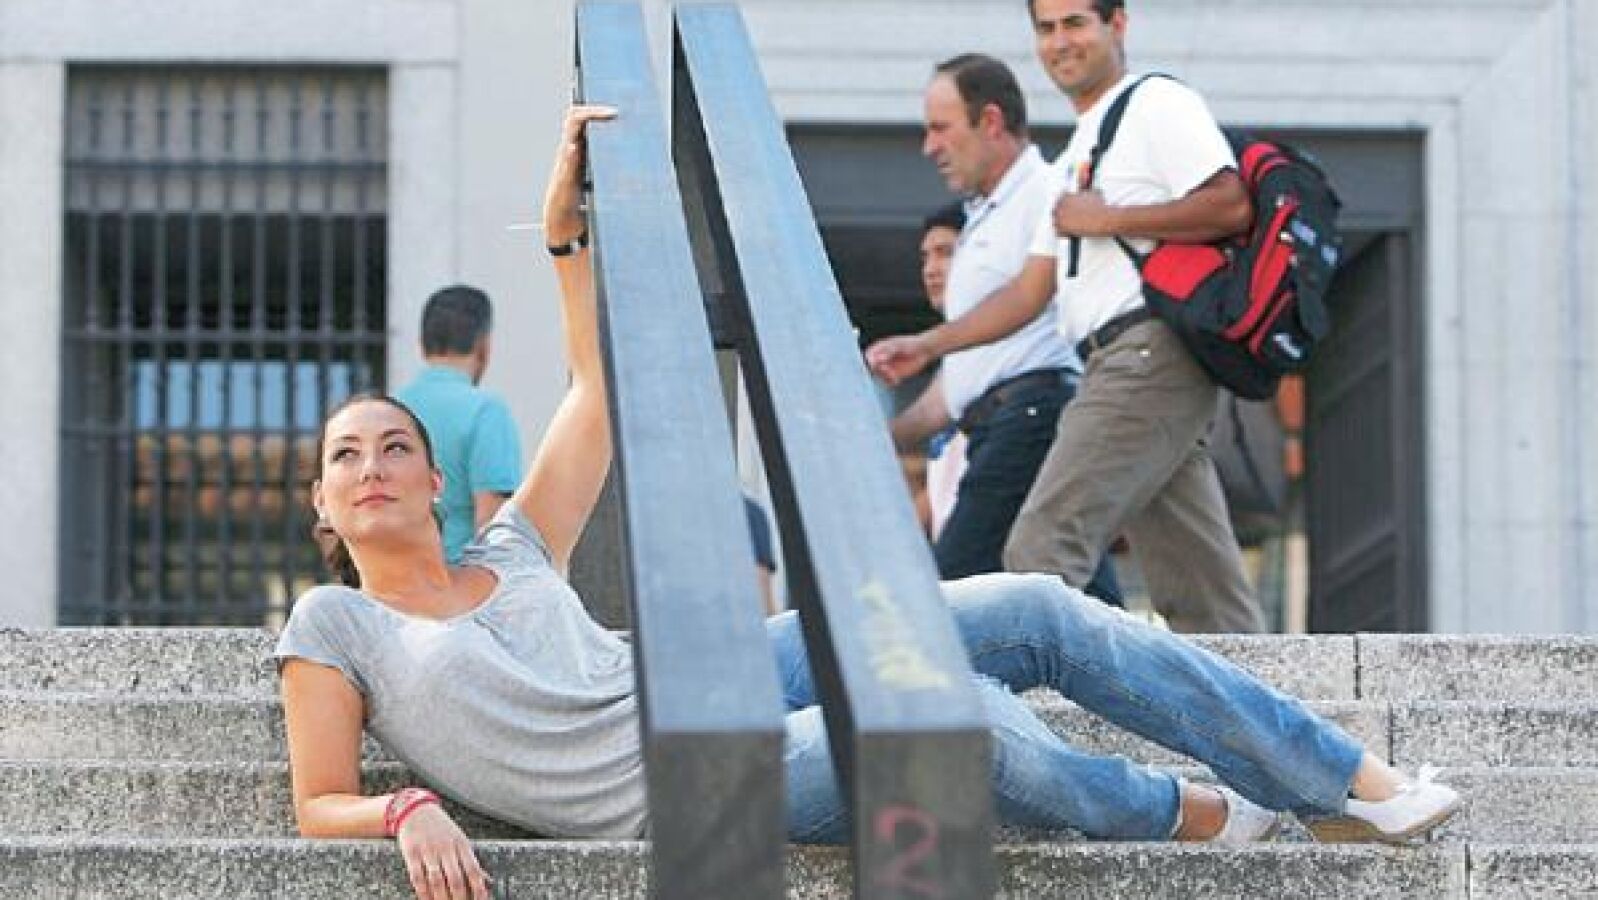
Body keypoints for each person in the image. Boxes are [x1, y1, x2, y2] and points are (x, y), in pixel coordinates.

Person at [275, 105, 1459, 900]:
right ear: (323, 505)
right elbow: (319, 797)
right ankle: (1181, 811)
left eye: (394, 447)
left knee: (1029, 606)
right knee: (952, 723)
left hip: (708, 676)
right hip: (683, 778)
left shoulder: (515, 548)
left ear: (435, 477)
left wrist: (561, 233)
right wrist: (403, 809)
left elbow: (595, 385)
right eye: (347, 457)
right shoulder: (339, 625)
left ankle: (1343, 782)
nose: (373, 465)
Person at [868, 1, 1264, 633]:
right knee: (1205, 599)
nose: (1060, 42)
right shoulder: (1075, 155)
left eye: (1075, 23)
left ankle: (1065, 699)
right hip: (1121, 365)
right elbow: (1028, 294)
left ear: (1118, 25)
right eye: (1046, 28)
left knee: (1041, 551)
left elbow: (1228, 204)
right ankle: (1255, 695)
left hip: (1145, 356)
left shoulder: (1156, 103)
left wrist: (1107, 219)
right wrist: (928, 344)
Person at [883, 56, 1122, 605]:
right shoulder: (985, 216)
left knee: (955, 589)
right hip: (1002, 422)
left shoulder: (1045, 193)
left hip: (1032, 414)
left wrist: (925, 344)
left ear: (990, 121)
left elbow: (1027, 302)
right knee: (1077, 589)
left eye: (941, 128)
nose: (928, 147)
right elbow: (959, 382)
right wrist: (879, 438)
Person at [394, 285, 524, 564]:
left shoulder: (389, 409)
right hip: (455, 581)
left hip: (391, 580)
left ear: (421, 345)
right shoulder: (486, 411)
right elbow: (493, 526)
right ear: (484, 346)